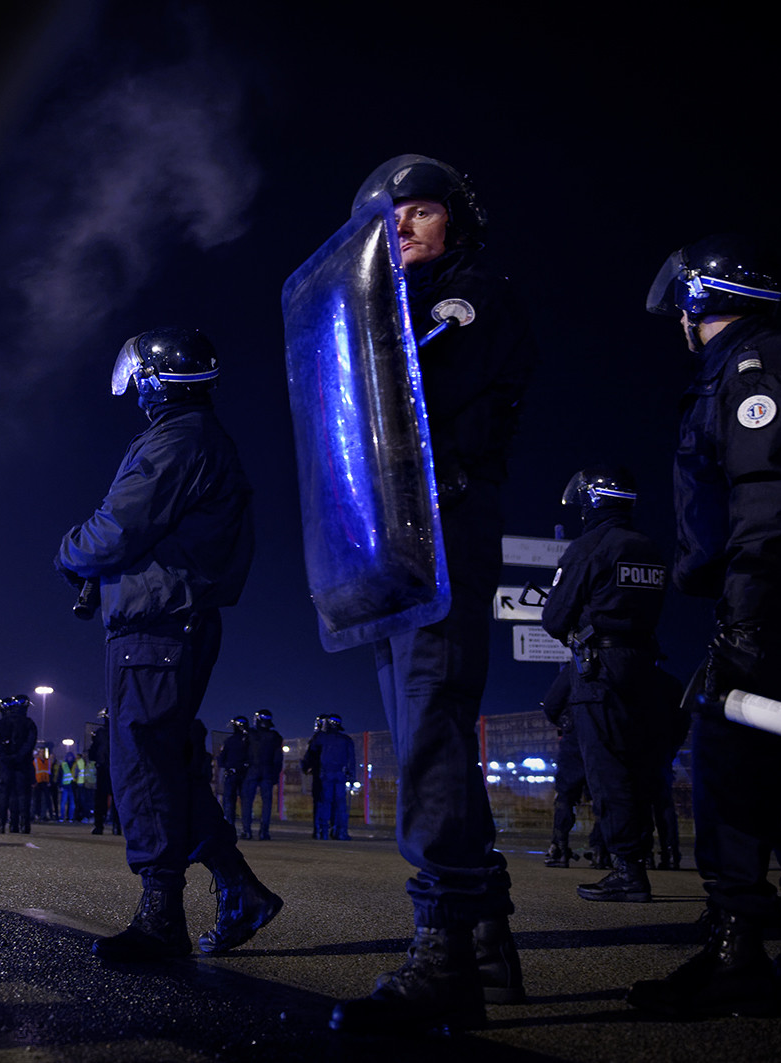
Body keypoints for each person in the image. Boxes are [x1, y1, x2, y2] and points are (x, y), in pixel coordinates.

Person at [628, 235, 781, 1017]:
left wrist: (749, 612)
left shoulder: (752, 369)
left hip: (770, 599)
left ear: (700, 302)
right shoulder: (765, 364)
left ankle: (738, 953)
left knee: (729, 761)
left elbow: (767, 495)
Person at [331, 155, 537, 1035]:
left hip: (445, 526)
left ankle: (444, 950)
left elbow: (416, 392)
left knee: (431, 731)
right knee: (429, 731)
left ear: (454, 222)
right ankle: (486, 940)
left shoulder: (468, 298)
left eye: (419, 213)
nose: (404, 230)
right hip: (398, 541)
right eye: (390, 219)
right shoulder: (388, 308)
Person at [56, 326, 282, 962]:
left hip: (154, 627)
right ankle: (240, 889)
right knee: (170, 765)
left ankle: (161, 917)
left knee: (143, 768)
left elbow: (114, 531)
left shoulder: (177, 440)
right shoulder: (195, 437)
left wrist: (68, 551)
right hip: (173, 623)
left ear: (154, 378)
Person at [539, 466, 669, 903]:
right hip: (644, 664)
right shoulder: (649, 548)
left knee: (607, 768)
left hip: (601, 669)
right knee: (639, 766)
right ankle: (641, 856)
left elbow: (555, 618)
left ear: (593, 501)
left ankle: (627, 870)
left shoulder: (587, 548)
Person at [0, 694, 39, 834]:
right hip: (22, 764)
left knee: (3, 793)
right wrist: (19, 756)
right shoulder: (29, 723)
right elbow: (30, 743)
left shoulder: (1, 723)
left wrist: (3, 756)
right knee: (21, 794)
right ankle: (22, 825)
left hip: (4, 764)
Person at [242, 710, 283, 841]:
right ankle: (264, 832)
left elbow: (243, 753)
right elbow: (278, 758)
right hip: (267, 770)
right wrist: (275, 774)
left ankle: (246, 830)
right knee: (267, 803)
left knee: (247, 801)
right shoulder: (275, 736)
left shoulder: (250, 734)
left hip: (253, 769)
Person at [320, 715, 356, 841]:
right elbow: (352, 759)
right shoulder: (345, 740)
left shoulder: (322, 738)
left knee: (326, 803)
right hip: (340, 775)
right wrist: (352, 775)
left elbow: (314, 754)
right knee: (341, 804)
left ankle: (323, 831)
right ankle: (341, 832)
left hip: (327, 775)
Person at [218, 716, 249, 831]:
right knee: (245, 802)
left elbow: (221, 759)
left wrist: (227, 767)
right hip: (245, 775)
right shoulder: (249, 740)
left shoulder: (229, 741)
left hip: (232, 774)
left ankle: (230, 827)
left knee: (229, 802)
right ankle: (247, 829)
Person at [302, 716, 327, 839]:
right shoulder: (340, 738)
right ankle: (331, 830)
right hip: (335, 774)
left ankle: (318, 830)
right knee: (333, 802)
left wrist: (306, 768)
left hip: (319, 774)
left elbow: (309, 756)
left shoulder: (317, 739)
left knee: (318, 802)